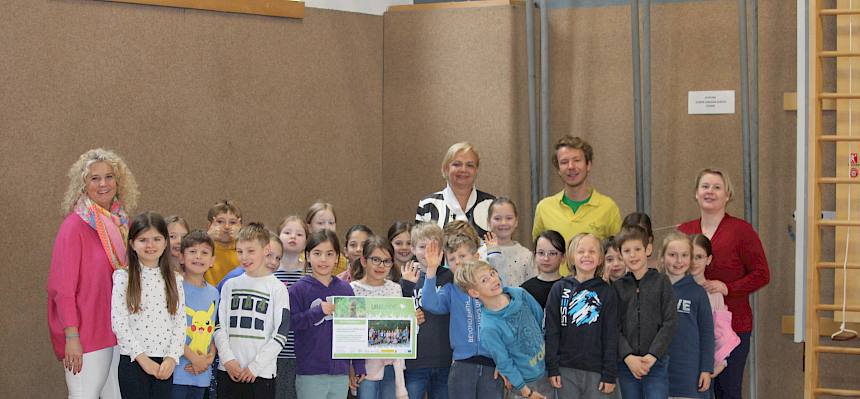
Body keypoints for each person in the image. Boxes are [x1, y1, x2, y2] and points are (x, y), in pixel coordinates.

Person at [48, 148, 139, 399]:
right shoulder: (74, 226)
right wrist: (72, 336)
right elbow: (62, 288)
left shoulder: (122, 225)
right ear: (83, 184)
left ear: (118, 182)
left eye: (109, 177)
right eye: (94, 178)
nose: (103, 184)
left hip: (117, 332)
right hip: (86, 335)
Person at [677, 168, 769, 399]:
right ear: (696, 193)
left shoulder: (742, 231)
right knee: (691, 389)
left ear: (728, 194)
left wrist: (728, 288)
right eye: (705, 186)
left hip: (732, 327)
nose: (710, 192)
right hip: (690, 327)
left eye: (717, 187)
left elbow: (761, 273)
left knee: (727, 390)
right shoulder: (684, 231)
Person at [421, 230, 505, 398]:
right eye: (452, 259)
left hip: (493, 364)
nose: (457, 262)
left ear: (475, 257)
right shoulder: (450, 290)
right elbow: (430, 304)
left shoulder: (492, 288)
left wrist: (504, 361)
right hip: (462, 364)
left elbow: (498, 280)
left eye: (462, 256)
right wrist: (431, 270)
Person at [111, 211, 185, 399]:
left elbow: (180, 322)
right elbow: (119, 323)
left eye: (156, 239)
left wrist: (172, 357)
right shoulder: (123, 278)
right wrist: (143, 360)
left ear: (165, 243)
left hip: (164, 365)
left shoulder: (175, 279)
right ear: (132, 244)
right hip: (134, 361)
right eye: (143, 240)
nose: (150, 245)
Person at [213, 223, 290, 398]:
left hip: (261, 374)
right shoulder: (229, 286)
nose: (244, 257)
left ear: (266, 250)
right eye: (239, 251)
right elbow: (219, 326)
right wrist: (227, 360)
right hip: (229, 371)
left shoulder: (277, 288)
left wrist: (255, 367)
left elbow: (281, 333)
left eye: (251, 251)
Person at [454, 260, 549, 399]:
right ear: (474, 292)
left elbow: (539, 317)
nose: (493, 280)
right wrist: (526, 392)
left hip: (547, 371)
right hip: (525, 387)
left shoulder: (520, 294)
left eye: (492, 273)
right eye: (484, 280)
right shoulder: (489, 328)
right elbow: (504, 362)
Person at [289, 230, 366, 398]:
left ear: (337, 257)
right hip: (310, 373)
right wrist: (317, 312)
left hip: (340, 372)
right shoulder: (298, 289)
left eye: (329, 254)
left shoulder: (346, 289)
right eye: (317, 253)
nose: (323, 259)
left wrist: (358, 365)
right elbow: (291, 323)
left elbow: (355, 329)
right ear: (307, 256)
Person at [532, 136, 622, 276]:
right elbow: (538, 254)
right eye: (564, 162)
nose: (571, 167)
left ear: (588, 165)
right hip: (555, 292)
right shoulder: (544, 208)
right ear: (558, 169)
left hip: (595, 291)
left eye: (577, 160)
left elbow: (618, 253)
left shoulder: (608, 207)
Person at [545, 233, 618, 398]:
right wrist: (552, 367)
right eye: (581, 251)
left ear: (600, 258)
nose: (586, 255)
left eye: (592, 251)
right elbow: (552, 331)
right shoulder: (559, 289)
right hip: (565, 369)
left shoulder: (607, 292)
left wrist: (609, 373)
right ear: (571, 257)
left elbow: (611, 335)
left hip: (596, 371)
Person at [613, 225, 676, 399]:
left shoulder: (662, 282)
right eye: (627, 250)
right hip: (627, 366)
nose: (632, 255)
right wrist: (627, 357)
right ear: (620, 254)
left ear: (648, 249)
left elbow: (670, 322)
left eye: (637, 249)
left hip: (656, 363)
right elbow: (613, 326)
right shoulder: (617, 288)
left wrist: (653, 355)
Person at [350, 236, 408, 399]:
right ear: (363, 260)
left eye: (387, 261)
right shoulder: (353, 290)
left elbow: (401, 327)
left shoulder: (395, 289)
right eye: (375, 260)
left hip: (391, 363)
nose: (381, 265)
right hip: (364, 365)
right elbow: (350, 330)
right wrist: (352, 366)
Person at [399, 223, 452, 399]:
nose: (428, 252)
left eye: (433, 247)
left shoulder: (450, 277)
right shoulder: (406, 278)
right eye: (422, 247)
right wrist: (406, 288)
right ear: (413, 249)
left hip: (446, 359)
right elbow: (398, 317)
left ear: (442, 250)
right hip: (415, 361)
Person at [660, 232, 714, 399]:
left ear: (690, 259)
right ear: (662, 257)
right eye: (672, 255)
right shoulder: (654, 289)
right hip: (658, 372)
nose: (678, 261)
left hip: (689, 373)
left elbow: (707, 334)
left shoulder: (698, 293)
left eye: (684, 255)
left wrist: (706, 369)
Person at [173, 230, 219, 399]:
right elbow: (169, 331)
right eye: (192, 251)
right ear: (182, 257)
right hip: (177, 373)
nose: (198, 256)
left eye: (204, 252)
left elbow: (214, 330)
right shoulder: (174, 288)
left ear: (212, 260)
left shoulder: (214, 294)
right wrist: (193, 358)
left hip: (201, 375)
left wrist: (208, 359)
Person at [416, 142, 496, 238]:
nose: (463, 170)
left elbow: (502, 245)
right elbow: (419, 247)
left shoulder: (491, 204)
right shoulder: (428, 205)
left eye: (470, 165)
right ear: (446, 168)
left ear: (476, 170)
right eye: (457, 164)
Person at [690, 234, 739, 379]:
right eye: (690, 256)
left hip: (705, 364)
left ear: (708, 259)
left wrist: (721, 362)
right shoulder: (674, 289)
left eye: (699, 257)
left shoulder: (714, 293)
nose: (694, 262)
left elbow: (721, 331)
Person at [274, 216, 310, 399]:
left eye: (299, 234)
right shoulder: (269, 272)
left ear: (306, 240)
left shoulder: (310, 273)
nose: (292, 237)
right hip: (275, 352)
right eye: (287, 232)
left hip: (302, 351)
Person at [487, 197, 534, 287]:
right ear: (489, 222)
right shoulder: (480, 254)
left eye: (509, 218)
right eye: (497, 218)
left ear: (516, 221)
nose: (503, 223)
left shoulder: (526, 255)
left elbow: (532, 288)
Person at [520, 230, 566, 308]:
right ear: (534, 255)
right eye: (541, 253)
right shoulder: (525, 290)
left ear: (563, 257)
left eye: (552, 253)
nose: (546, 258)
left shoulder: (569, 288)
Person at [204, 200, 242, 286]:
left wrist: (241, 238)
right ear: (209, 226)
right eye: (220, 222)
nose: (227, 227)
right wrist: (207, 238)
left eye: (232, 222)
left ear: (240, 226)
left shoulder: (244, 252)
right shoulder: (204, 250)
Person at [305, 201, 350, 276]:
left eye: (331, 223)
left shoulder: (342, 261)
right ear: (309, 227)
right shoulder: (301, 258)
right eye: (320, 223)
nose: (327, 227)